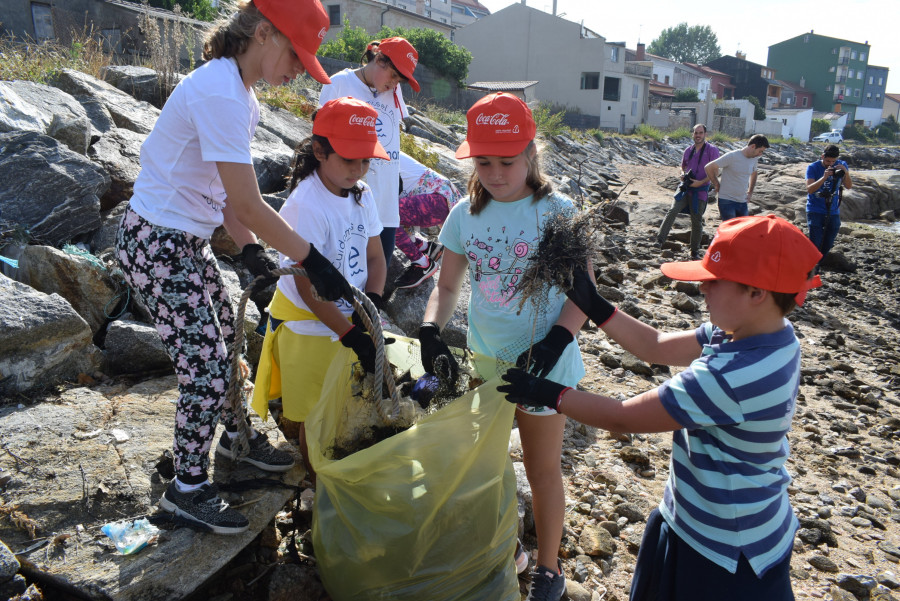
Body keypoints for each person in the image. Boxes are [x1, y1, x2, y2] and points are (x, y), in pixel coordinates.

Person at [115, 0, 354, 535]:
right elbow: (248, 204)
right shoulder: (221, 91)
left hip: (184, 240)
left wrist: (250, 251)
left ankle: (234, 438)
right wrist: (310, 260)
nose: (297, 69)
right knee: (203, 366)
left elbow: (227, 198)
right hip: (155, 241)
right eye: (296, 54)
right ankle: (187, 488)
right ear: (265, 34)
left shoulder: (239, 93)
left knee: (226, 335)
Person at [499, 214, 824, 601]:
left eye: (712, 281)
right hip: (702, 516)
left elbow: (623, 416)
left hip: (723, 551)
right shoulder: (763, 334)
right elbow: (655, 346)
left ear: (756, 292)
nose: (702, 289)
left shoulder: (731, 377)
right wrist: (596, 305)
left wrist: (548, 393)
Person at [417, 92, 586, 601]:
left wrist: (554, 343)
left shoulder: (559, 211)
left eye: (506, 161)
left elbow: (584, 296)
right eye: (483, 161)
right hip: (487, 364)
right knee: (482, 466)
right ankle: (504, 548)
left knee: (541, 466)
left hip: (543, 368)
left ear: (531, 152)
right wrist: (429, 328)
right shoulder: (465, 214)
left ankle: (550, 569)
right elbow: (446, 288)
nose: (494, 172)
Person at [251, 97, 387, 484]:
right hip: (311, 327)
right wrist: (349, 334)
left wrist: (371, 306)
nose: (358, 169)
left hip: (352, 319)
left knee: (349, 407)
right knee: (317, 416)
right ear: (319, 151)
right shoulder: (307, 204)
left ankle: (344, 478)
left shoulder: (361, 193)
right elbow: (305, 284)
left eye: (365, 161)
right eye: (348, 159)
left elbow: (376, 257)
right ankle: (318, 488)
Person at [318, 37, 419, 268]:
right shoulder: (339, 83)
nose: (394, 84)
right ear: (380, 58)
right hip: (349, 201)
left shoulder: (394, 92)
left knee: (375, 282)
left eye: (400, 79)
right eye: (393, 75)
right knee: (343, 276)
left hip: (386, 206)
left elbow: (392, 140)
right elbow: (321, 141)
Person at [392, 151, 463, 289]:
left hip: (435, 201)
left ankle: (422, 264)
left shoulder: (370, 156)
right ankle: (427, 248)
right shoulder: (386, 145)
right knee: (391, 210)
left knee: (385, 214)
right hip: (440, 197)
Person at [655, 124, 720, 259]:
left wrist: (700, 183)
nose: (698, 135)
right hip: (685, 188)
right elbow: (682, 166)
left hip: (700, 191)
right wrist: (682, 174)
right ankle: (659, 241)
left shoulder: (712, 150)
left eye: (700, 133)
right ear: (693, 134)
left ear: (705, 134)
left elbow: (715, 172)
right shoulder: (688, 150)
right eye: (696, 133)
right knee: (672, 211)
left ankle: (694, 251)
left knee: (696, 220)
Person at [805, 144, 853, 268]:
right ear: (822, 156)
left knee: (828, 241)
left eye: (833, 161)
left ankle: (817, 264)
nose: (830, 164)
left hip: (832, 210)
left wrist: (845, 173)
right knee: (815, 241)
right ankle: (810, 267)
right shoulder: (813, 167)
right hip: (815, 209)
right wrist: (824, 177)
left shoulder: (841, 165)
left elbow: (848, 186)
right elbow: (810, 189)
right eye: (827, 161)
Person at [704, 134, 769, 221]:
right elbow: (708, 167)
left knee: (743, 231)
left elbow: (754, 173)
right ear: (753, 146)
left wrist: (750, 192)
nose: (760, 154)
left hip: (742, 201)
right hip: (727, 201)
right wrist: (716, 184)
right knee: (730, 230)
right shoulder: (732, 156)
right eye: (760, 151)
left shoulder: (754, 159)